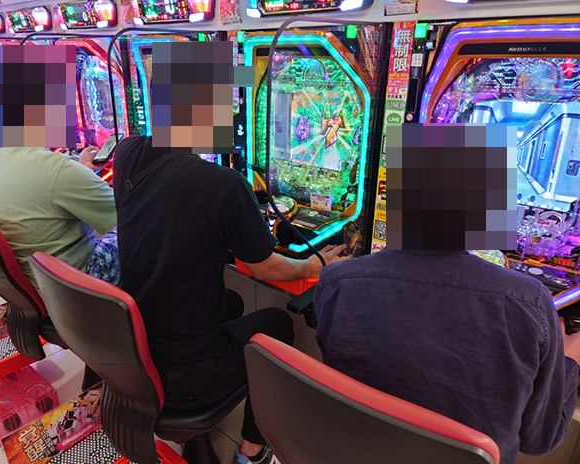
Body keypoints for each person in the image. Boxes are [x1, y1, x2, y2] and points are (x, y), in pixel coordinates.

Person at [112, 135, 350, 464]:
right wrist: (313, 265)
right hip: (183, 378)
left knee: (232, 300)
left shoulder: (128, 153)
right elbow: (264, 266)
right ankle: (252, 450)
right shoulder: (223, 184)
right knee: (278, 323)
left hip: (133, 354)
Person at [314, 249, 580, 464]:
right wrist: (569, 362)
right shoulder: (530, 301)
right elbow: (539, 439)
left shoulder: (335, 281)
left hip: (355, 453)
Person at [0, 146, 120, 289]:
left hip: (28, 279)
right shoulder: (61, 169)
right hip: (70, 284)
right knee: (131, 231)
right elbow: (124, 214)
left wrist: (81, 169)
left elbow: (46, 184)